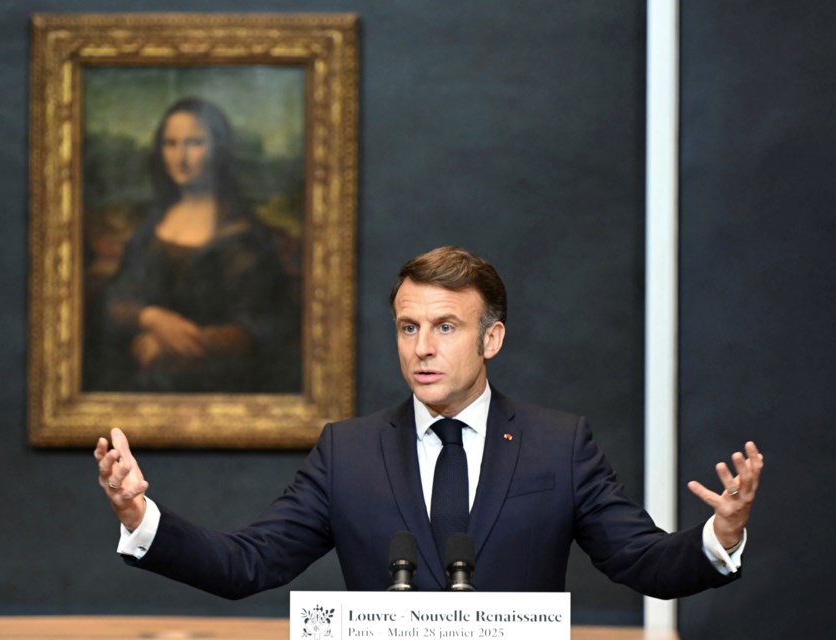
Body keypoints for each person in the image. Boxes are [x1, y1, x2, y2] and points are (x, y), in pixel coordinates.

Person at [95, 246, 764, 597]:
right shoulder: (346, 453)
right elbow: (248, 564)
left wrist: (719, 534)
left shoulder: (559, 447)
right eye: (409, 327)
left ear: (491, 339)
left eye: (446, 327)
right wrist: (140, 517)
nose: (423, 347)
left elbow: (644, 563)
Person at [91, 96, 299, 393]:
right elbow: (115, 300)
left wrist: (178, 343)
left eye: (194, 143)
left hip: (223, 390)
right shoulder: (151, 228)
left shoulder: (245, 238)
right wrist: (151, 318)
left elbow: (264, 328)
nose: (181, 157)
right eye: (171, 144)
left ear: (219, 149)